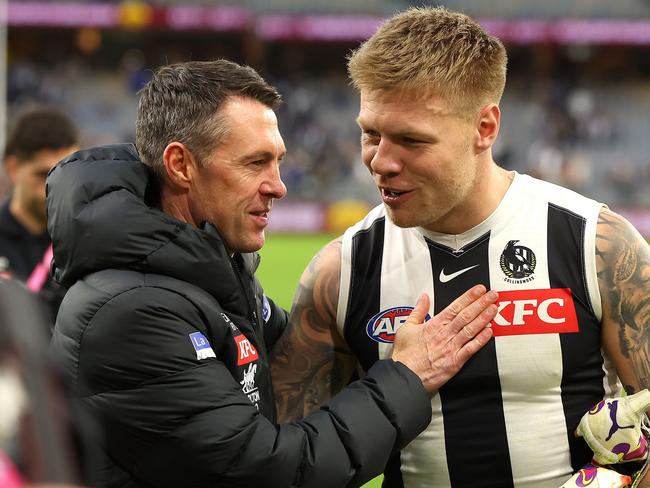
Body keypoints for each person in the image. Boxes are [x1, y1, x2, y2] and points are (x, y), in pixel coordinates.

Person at [46, 59, 499, 488]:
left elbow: (295, 355)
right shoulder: (131, 313)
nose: (278, 185)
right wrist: (407, 376)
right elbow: (274, 473)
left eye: (278, 161)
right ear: (181, 165)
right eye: (255, 163)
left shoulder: (209, 271)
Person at [269, 6, 650, 488]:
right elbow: (290, 462)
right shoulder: (339, 273)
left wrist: (628, 480)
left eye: (411, 139)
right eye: (370, 133)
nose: (380, 162)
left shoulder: (595, 245)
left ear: (484, 128)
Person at [0, 107, 79, 323]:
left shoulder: (87, 243)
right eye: (44, 174)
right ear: (13, 167)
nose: (56, 186)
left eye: (66, 172)